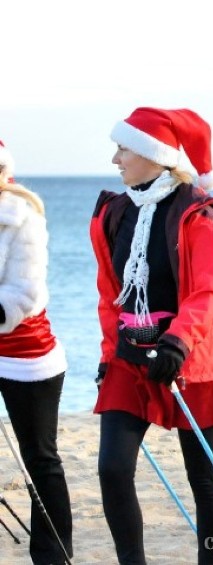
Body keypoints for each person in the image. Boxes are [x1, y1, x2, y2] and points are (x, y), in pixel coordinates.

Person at [91, 107, 213, 564]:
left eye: (124, 149)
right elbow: (109, 294)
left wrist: (176, 342)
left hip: (192, 355)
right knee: (113, 469)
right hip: (129, 355)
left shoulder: (198, 214)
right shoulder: (112, 213)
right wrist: (107, 354)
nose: (116, 160)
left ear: (156, 157)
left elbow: (209, 292)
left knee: (204, 476)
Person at [0, 139, 73, 564]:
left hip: (27, 353)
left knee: (40, 459)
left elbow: (22, 295)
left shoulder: (20, 216)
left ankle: (53, 555)